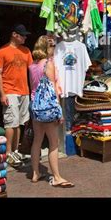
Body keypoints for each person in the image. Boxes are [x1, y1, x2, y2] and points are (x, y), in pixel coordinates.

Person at [29, 35, 74, 187]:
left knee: (37, 140)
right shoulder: (48, 64)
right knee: (54, 143)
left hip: (35, 107)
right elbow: (52, 89)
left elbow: (34, 89)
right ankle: (56, 177)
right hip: (48, 108)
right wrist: (59, 110)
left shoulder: (32, 66)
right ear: (46, 48)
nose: (54, 49)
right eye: (52, 46)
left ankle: (35, 173)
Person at [0, 24, 33, 167]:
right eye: (22, 35)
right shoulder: (2, 51)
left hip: (24, 91)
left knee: (20, 122)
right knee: (11, 122)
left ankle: (15, 151)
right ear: (14, 35)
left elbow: (32, 71)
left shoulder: (26, 51)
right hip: (10, 91)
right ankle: (8, 152)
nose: (25, 37)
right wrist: (2, 94)